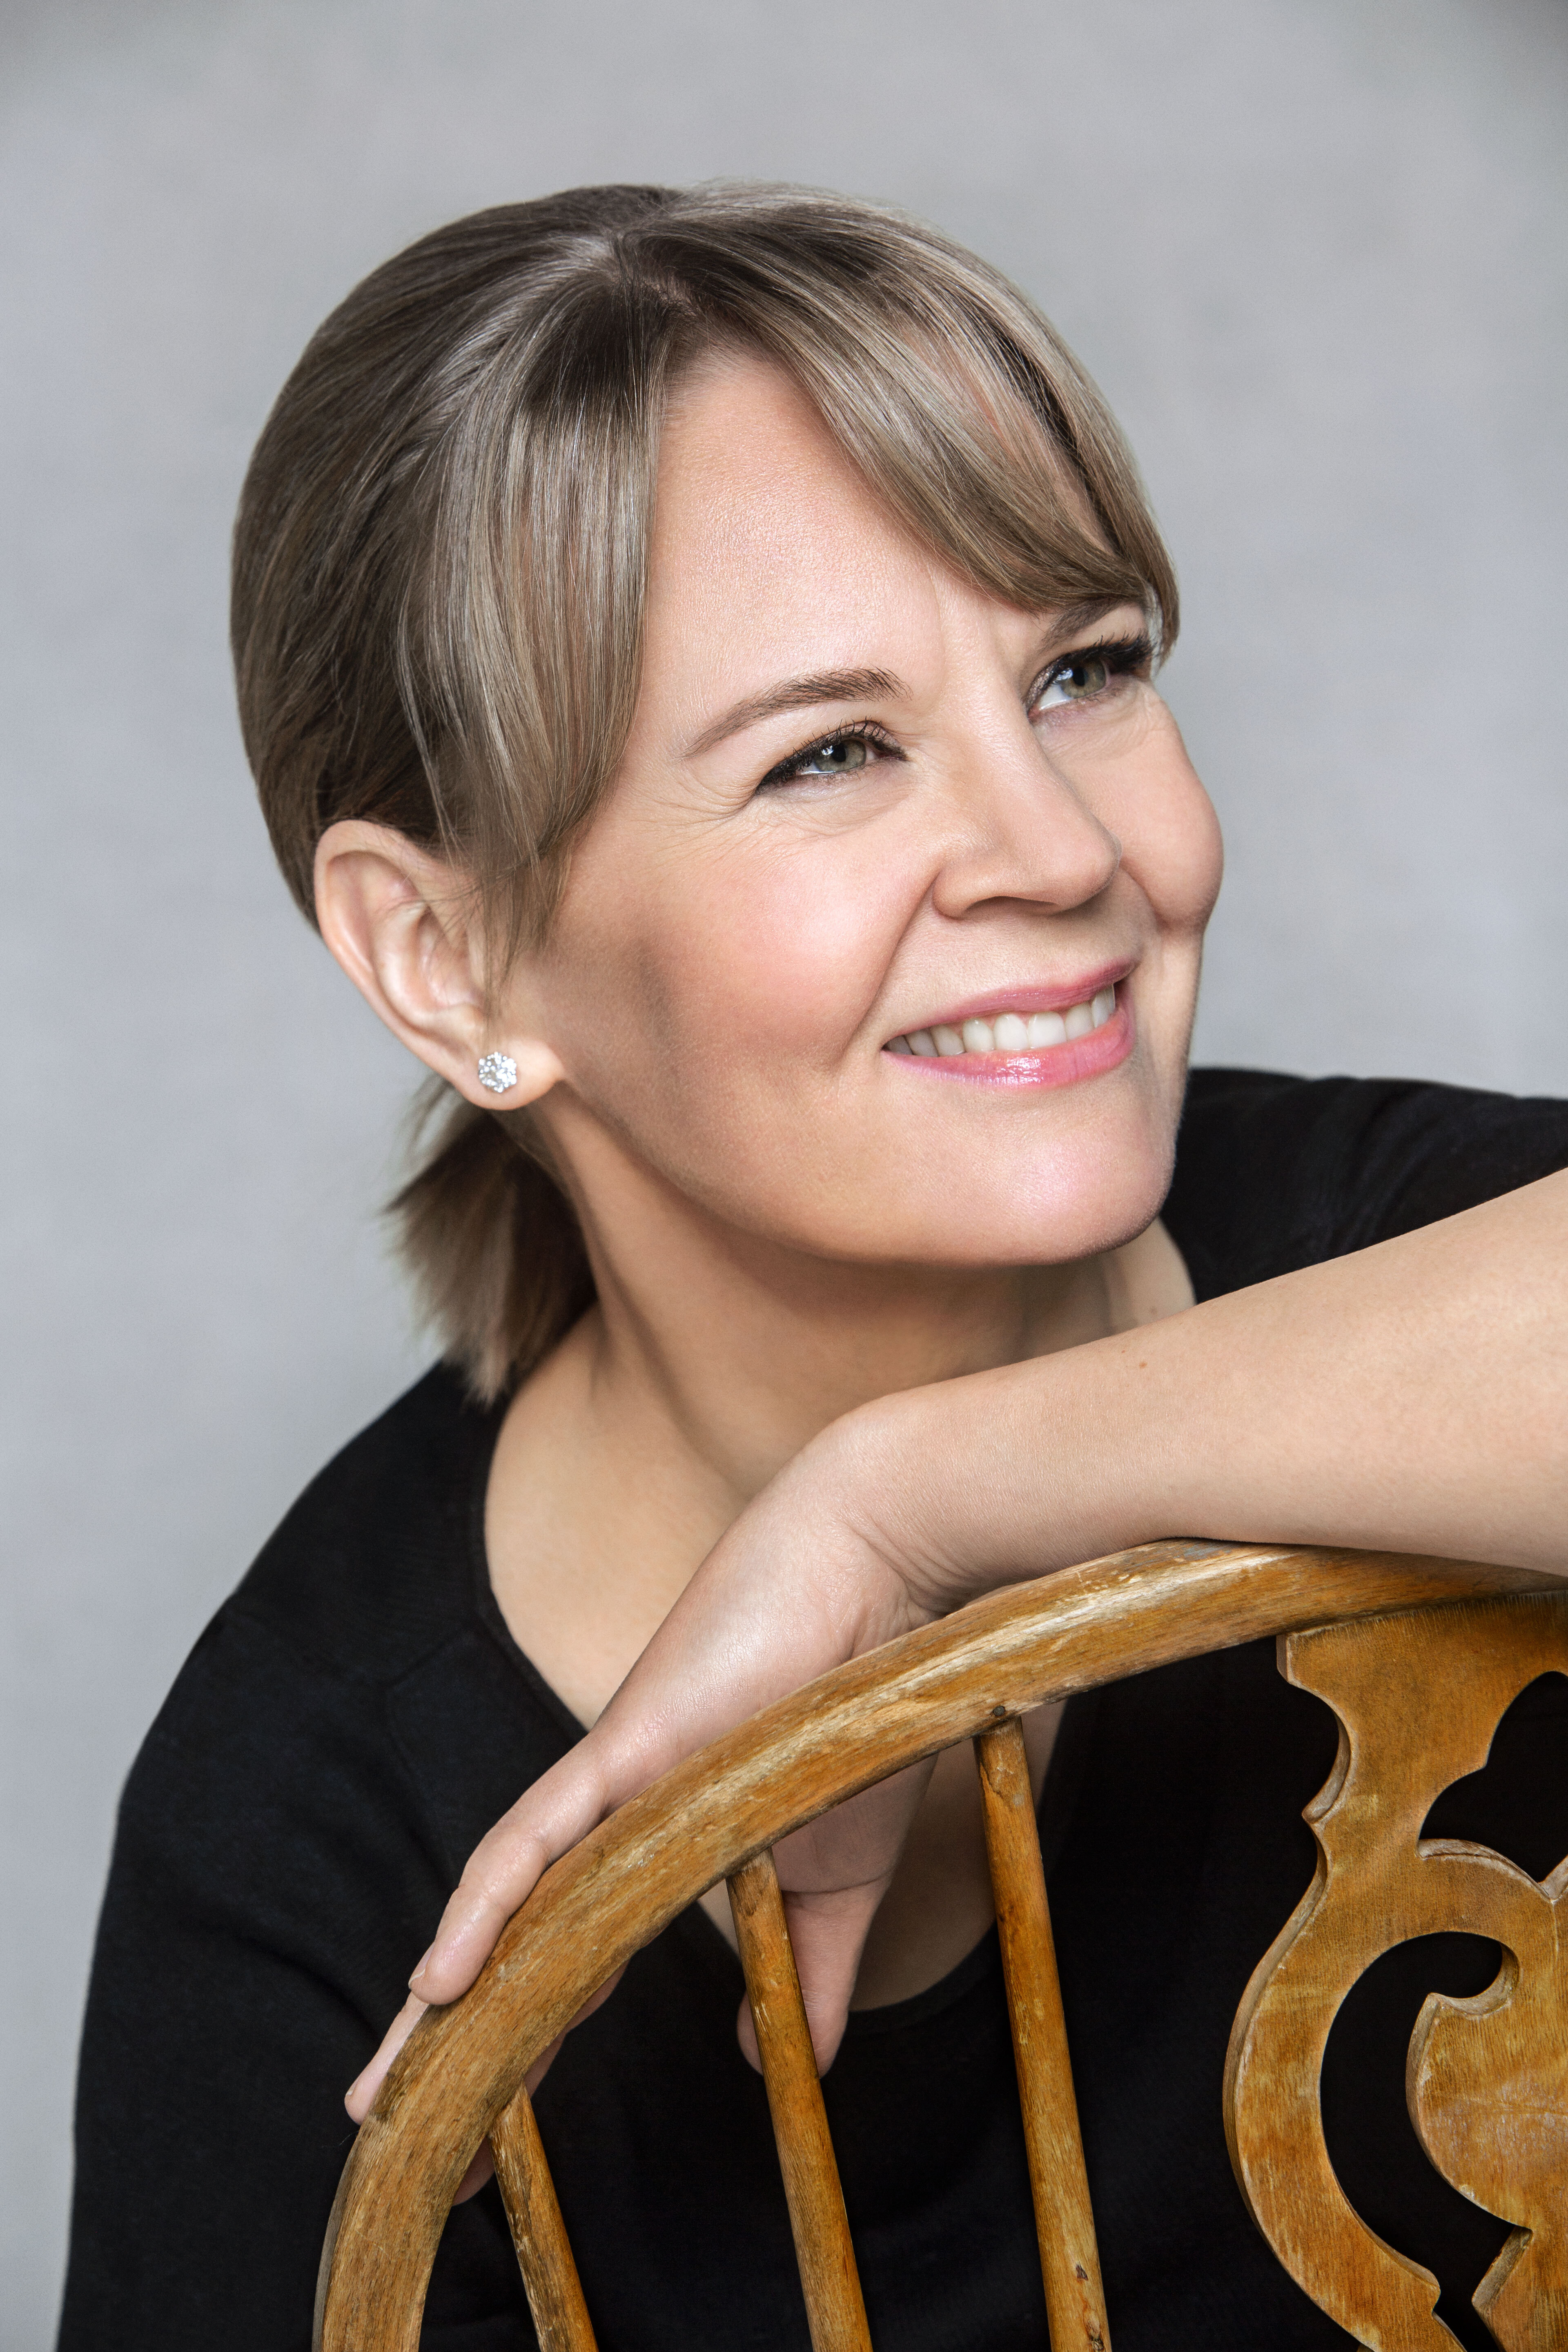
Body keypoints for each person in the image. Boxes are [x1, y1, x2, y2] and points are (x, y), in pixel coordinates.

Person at [60, 183, 1568, 2352]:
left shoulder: (1423, 1258)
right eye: (832, 752)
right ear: (448, 951)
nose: (1068, 853)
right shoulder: (312, 1845)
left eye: (1088, 670)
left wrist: (921, 1496)